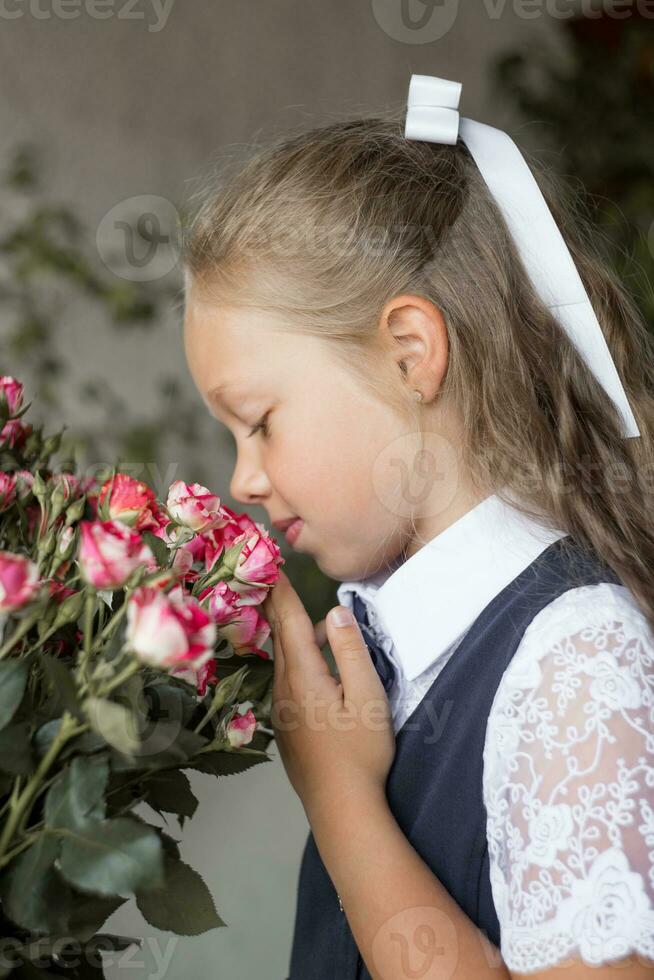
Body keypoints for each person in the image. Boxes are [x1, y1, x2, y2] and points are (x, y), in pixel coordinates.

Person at [180, 73, 654, 980]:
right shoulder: (388, 650)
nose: (243, 478)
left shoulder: (578, 658)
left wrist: (339, 799)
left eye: (261, 420)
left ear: (409, 354)